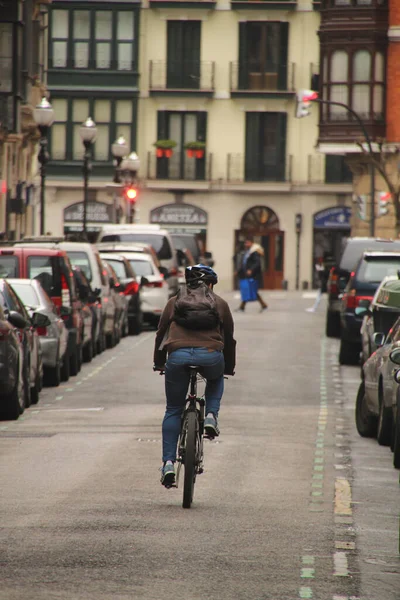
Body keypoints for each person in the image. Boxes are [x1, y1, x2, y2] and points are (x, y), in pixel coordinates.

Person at [154, 264, 236, 488]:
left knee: (173, 409)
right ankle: (210, 415)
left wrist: (159, 362)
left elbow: (161, 334)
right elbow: (228, 337)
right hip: (210, 356)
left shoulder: (174, 302)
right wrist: (227, 366)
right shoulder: (219, 303)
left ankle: (169, 463)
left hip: (177, 357)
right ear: (210, 284)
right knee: (216, 378)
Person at [234, 237, 268, 312]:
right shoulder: (248, 251)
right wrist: (238, 271)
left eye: (247, 243)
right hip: (247, 274)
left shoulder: (254, 252)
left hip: (253, 275)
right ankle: (262, 305)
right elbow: (243, 262)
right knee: (249, 290)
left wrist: (251, 270)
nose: (246, 244)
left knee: (251, 290)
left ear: (251, 243)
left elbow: (257, 263)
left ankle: (243, 306)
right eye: (245, 243)